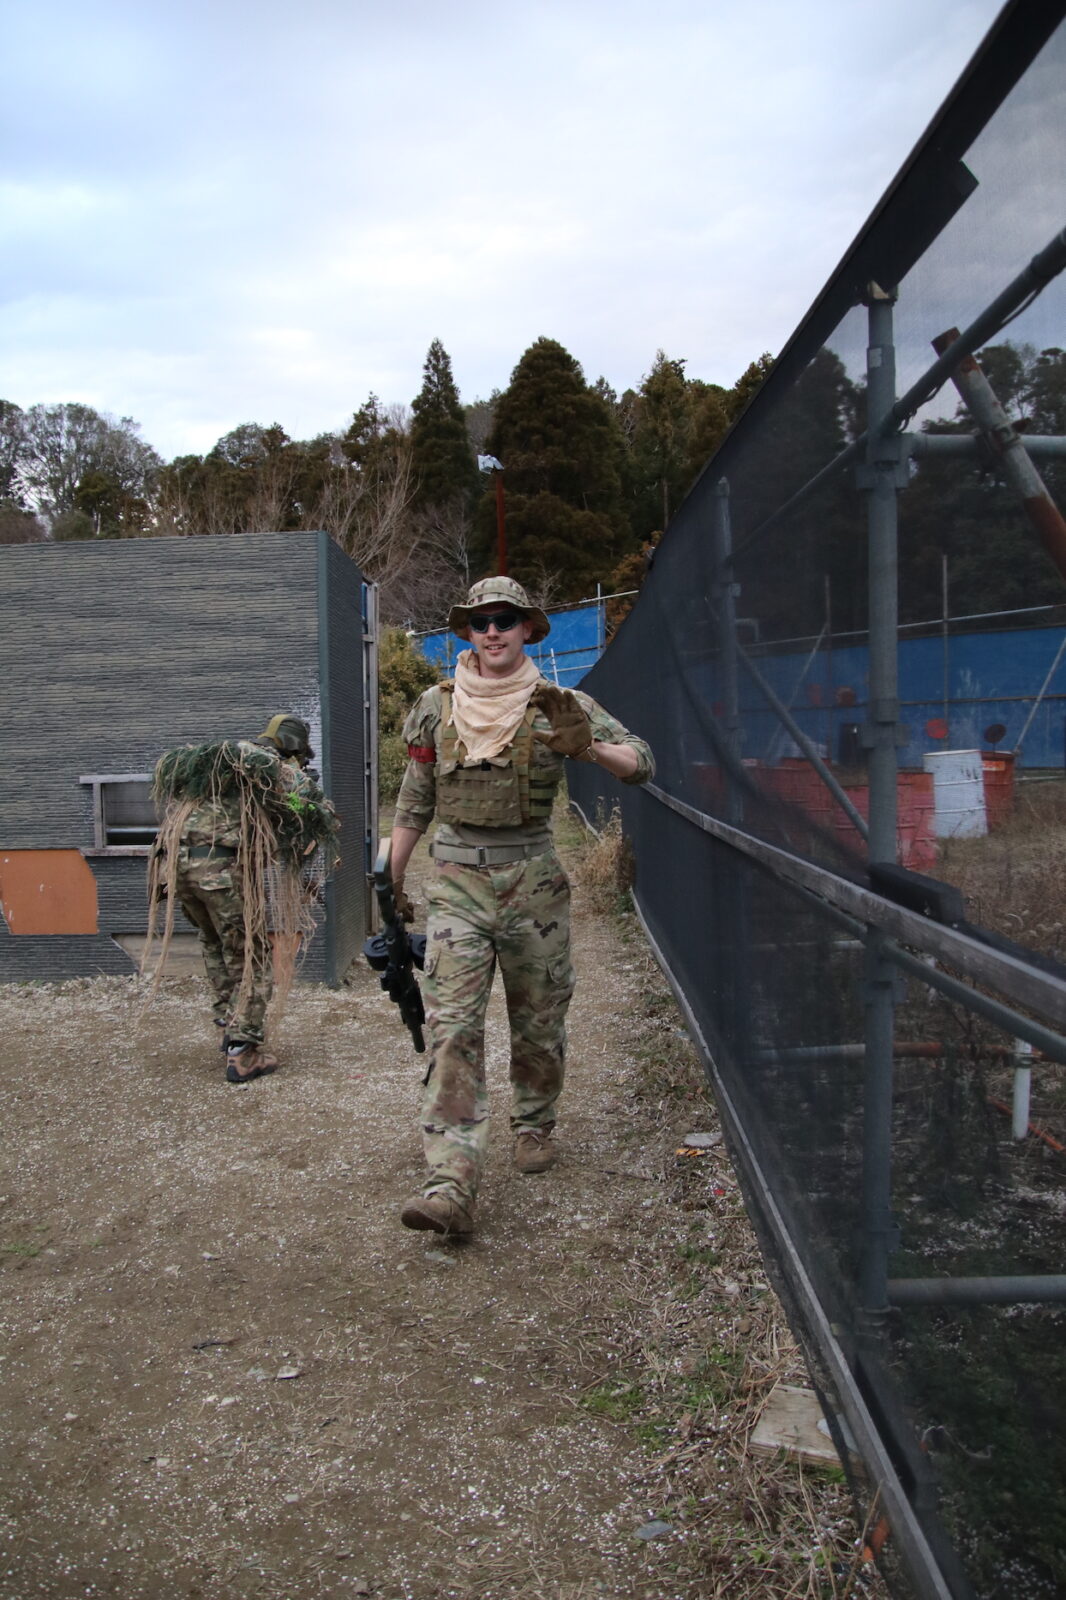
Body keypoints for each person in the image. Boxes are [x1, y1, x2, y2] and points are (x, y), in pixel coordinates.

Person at [389, 577, 654, 1237]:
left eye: (505, 620)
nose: (492, 632)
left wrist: (585, 747)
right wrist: (388, 882)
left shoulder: (559, 704)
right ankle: (450, 1182)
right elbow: (415, 800)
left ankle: (534, 1122)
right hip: (456, 882)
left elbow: (642, 763)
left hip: (533, 880)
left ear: (529, 628)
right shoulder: (435, 707)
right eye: (480, 622)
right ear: (466, 631)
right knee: (453, 1027)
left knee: (539, 1016)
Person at [147, 715, 339, 1083]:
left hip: (175, 868)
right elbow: (316, 808)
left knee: (216, 945)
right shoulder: (268, 765)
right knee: (252, 955)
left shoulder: (225, 762)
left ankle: (228, 1025)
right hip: (219, 871)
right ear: (293, 747)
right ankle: (244, 1052)